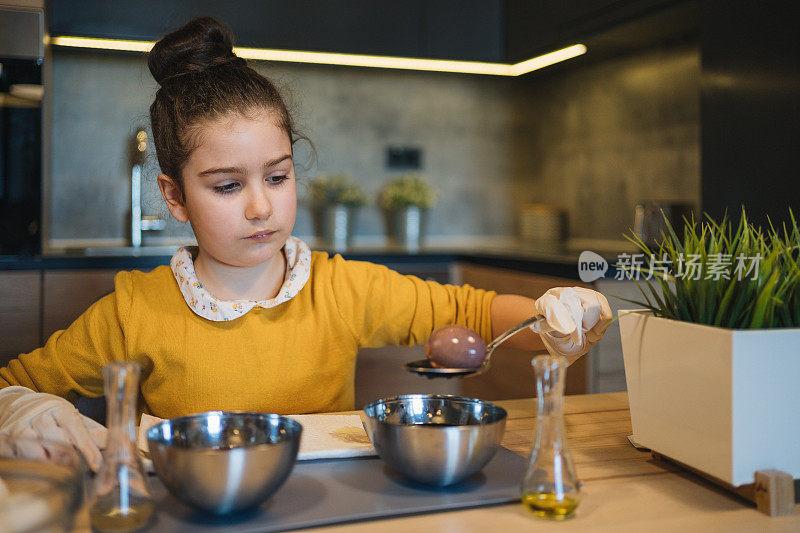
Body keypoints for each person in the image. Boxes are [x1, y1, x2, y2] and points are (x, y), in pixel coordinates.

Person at [0, 17, 612, 472]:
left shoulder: (341, 288)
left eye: (277, 176)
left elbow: (475, 315)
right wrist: (23, 409)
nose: (262, 206)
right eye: (227, 185)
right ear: (176, 196)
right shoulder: (136, 311)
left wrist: (554, 315)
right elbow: (12, 382)